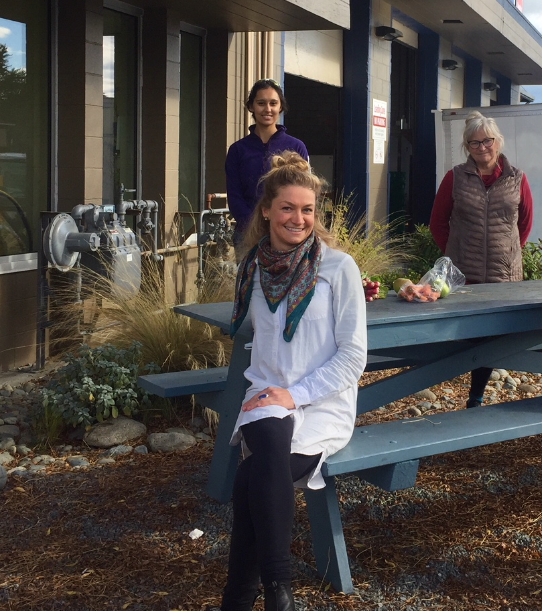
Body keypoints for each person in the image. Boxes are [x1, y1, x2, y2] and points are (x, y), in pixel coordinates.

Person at [220, 152, 367, 610]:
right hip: (267, 395)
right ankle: (278, 593)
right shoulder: (252, 270)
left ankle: (243, 594)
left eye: (307, 210)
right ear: (266, 210)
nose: (297, 219)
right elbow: (259, 344)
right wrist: (278, 392)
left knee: (254, 474)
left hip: (322, 401)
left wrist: (297, 393)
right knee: (267, 440)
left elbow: (353, 356)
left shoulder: (338, 269)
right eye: (287, 208)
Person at [430, 110, 533, 408]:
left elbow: (523, 224)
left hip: (503, 277)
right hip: (465, 275)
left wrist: (510, 252)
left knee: (493, 340)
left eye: (487, 141)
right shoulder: (455, 178)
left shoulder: (517, 179)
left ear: (498, 142)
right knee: (465, 339)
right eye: (474, 143)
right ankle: (441, 385)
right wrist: (454, 254)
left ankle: (475, 397)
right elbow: (438, 223)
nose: (482, 148)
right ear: (467, 147)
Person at [225, 79, 309, 249]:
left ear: (281, 107)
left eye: (273, 103)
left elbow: (305, 191)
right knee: (251, 276)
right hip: (247, 235)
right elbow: (234, 196)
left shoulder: (296, 147)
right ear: (251, 107)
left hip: (288, 230)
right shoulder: (237, 150)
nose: (268, 109)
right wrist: (253, 227)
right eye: (261, 103)